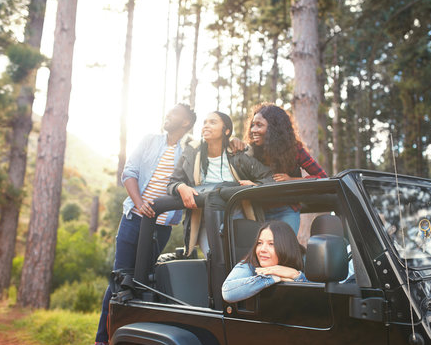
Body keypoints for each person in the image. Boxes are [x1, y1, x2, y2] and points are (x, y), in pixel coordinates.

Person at [135, 111, 273, 308]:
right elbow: (173, 182)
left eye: (213, 122)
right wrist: (181, 187)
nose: (206, 125)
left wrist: (254, 184)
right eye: (205, 122)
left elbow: (267, 177)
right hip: (206, 221)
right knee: (217, 264)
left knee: (243, 265)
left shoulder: (238, 154)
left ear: (226, 131)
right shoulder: (192, 152)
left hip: (238, 218)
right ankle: (219, 309)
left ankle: (248, 310)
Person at [90, 104, 196, 345]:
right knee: (119, 279)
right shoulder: (149, 141)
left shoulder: (190, 151)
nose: (168, 115)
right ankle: (101, 342)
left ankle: (132, 341)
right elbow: (130, 173)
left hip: (161, 228)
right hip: (132, 220)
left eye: (174, 114)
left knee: (143, 283)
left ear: (185, 123)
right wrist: (140, 204)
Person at [240, 103, 328, 233]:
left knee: (284, 249)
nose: (253, 130)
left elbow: (322, 177)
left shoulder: (294, 150)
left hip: (286, 211)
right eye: (253, 125)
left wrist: (291, 179)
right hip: (259, 212)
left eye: (259, 125)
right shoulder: (251, 152)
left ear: (274, 129)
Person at [222, 220, 308, 303]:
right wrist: (273, 277)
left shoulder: (303, 260)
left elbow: (317, 294)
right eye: (259, 243)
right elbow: (228, 292)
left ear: (285, 247)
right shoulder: (249, 263)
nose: (262, 249)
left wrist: (295, 275)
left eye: (271, 244)